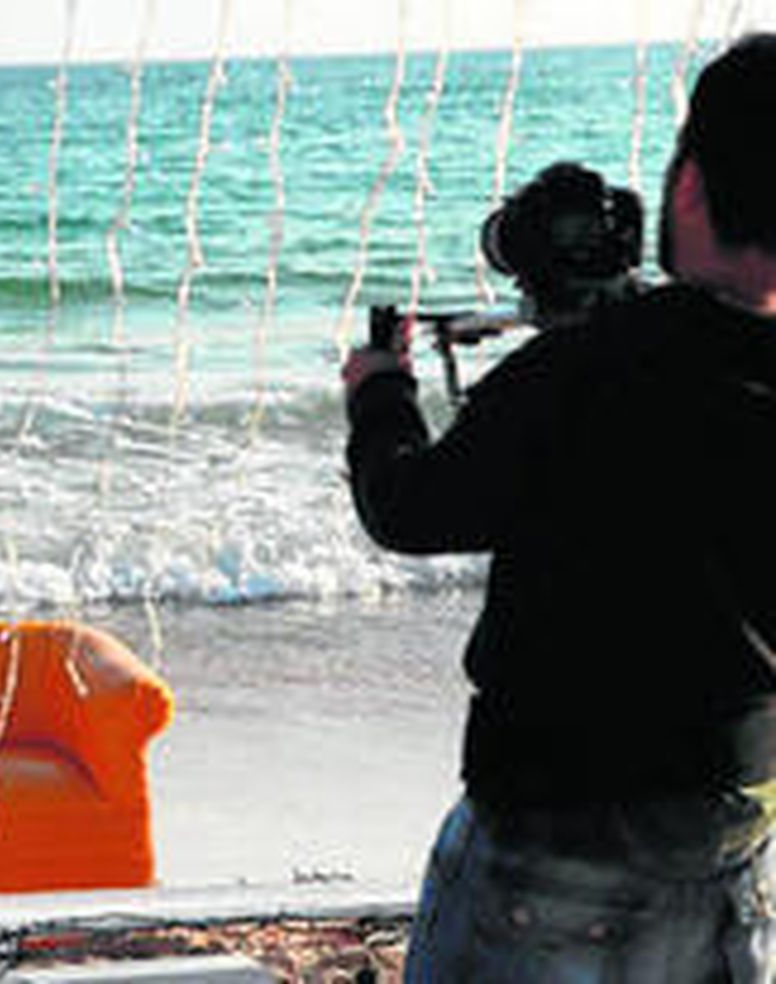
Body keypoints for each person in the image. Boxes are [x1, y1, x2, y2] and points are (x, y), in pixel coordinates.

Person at [344, 35, 776, 981]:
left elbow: (409, 510)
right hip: (731, 841)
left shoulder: (585, 373)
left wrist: (379, 394)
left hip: (544, 846)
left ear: (693, 189)